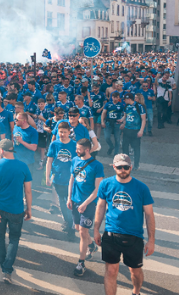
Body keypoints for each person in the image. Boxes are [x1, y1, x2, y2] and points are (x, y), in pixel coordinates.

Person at [94, 154, 156, 295]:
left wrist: (151, 240)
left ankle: (136, 291)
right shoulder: (106, 184)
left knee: (134, 271)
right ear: (114, 167)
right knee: (111, 271)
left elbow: (149, 214)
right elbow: (100, 207)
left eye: (126, 167)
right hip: (111, 234)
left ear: (131, 167)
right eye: (120, 167)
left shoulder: (142, 188)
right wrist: (96, 229)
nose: (123, 170)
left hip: (134, 236)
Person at [0, 139, 33, 284]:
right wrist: (29, 209)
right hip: (16, 209)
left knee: (0, 237)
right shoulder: (23, 166)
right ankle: (7, 268)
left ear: (2, 150)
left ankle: (3, 264)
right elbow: (28, 191)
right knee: (14, 239)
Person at [67, 138, 104, 277]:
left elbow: (97, 189)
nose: (76, 151)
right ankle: (92, 246)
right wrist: (69, 197)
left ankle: (81, 263)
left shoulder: (97, 166)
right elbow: (72, 179)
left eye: (78, 149)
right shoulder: (75, 160)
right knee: (78, 228)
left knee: (83, 232)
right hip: (75, 201)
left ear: (87, 150)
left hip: (88, 203)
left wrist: (85, 203)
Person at [45, 122, 77, 240]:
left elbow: (77, 162)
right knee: (62, 202)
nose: (62, 134)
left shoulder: (74, 145)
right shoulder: (54, 144)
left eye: (64, 132)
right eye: (60, 132)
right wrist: (47, 177)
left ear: (69, 132)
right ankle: (68, 223)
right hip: (57, 179)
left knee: (70, 203)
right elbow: (49, 161)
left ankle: (71, 226)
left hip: (70, 179)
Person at [121, 93, 146, 171]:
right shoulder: (126, 107)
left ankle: (136, 164)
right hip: (127, 129)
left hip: (135, 130)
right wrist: (122, 122)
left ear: (129, 99)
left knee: (136, 148)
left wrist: (141, 130)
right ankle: (127, 163)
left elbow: (143, 119)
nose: (124, 101)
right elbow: (125, 116)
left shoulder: (139, 107)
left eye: (125, 99)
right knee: (125, 147)